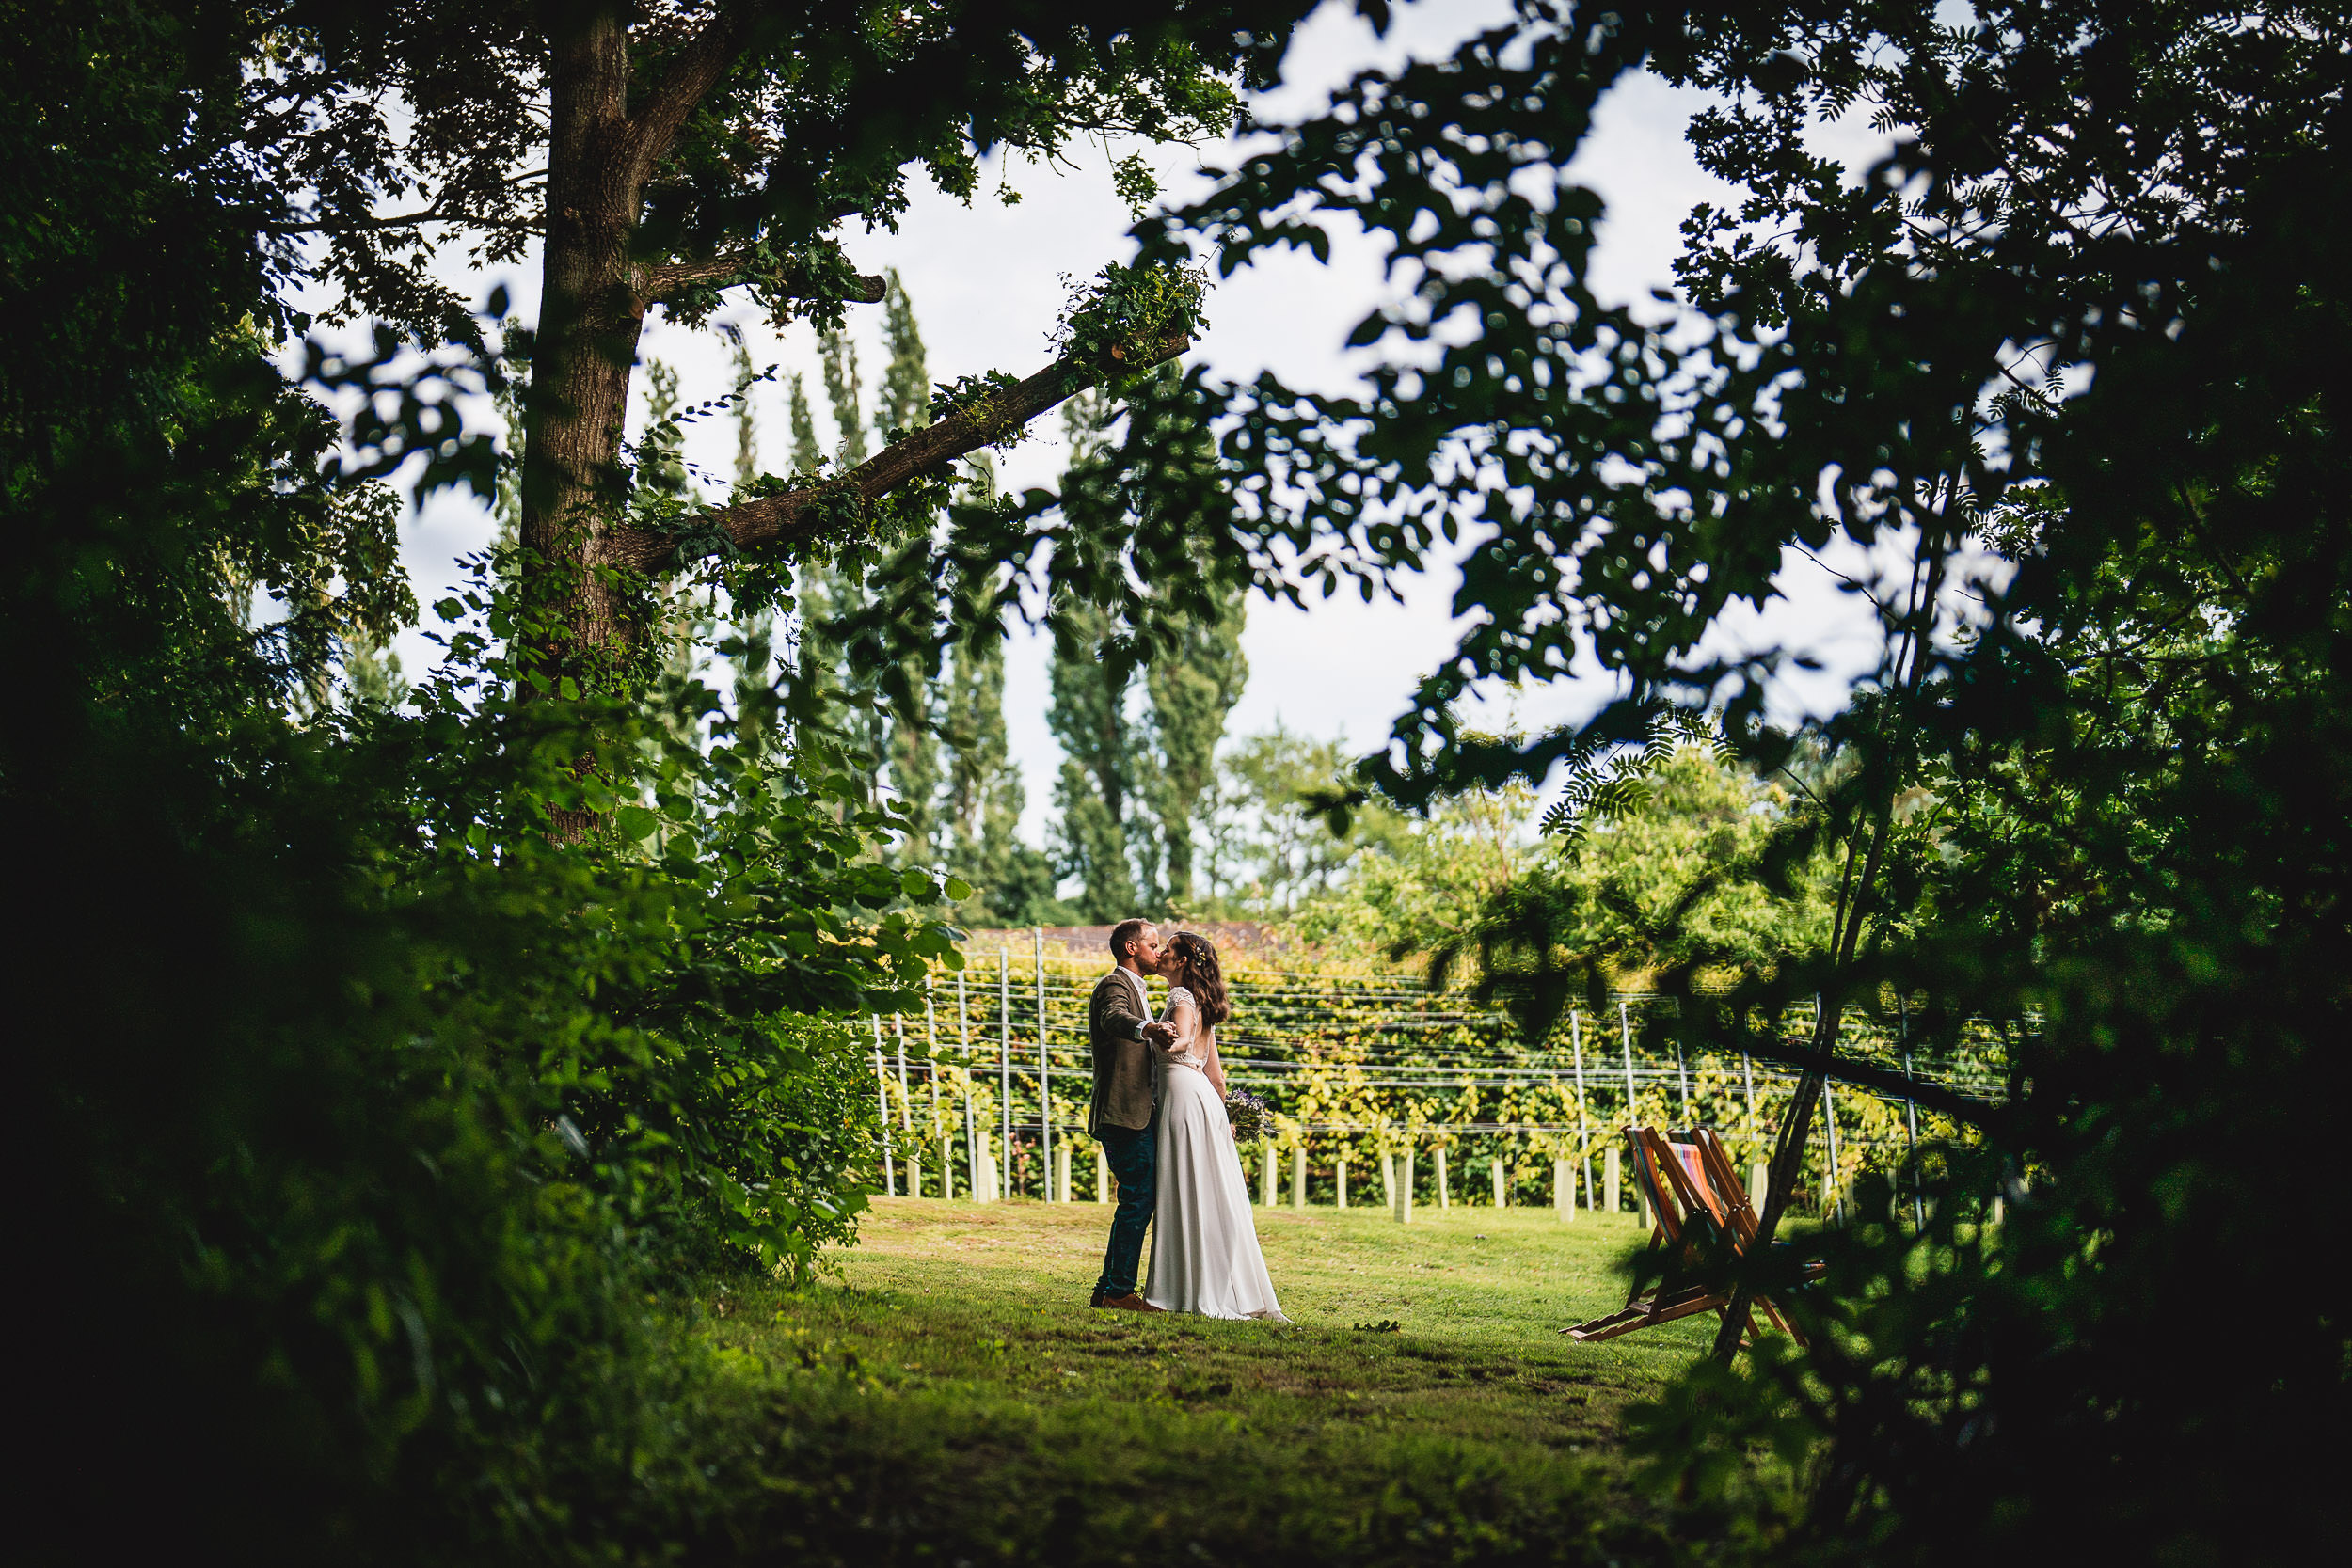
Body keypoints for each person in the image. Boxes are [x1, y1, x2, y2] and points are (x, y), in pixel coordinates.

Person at [1142, 930, 1285, 1320]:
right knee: (1208, 1191)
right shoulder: (1203, 1002)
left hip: (1185, 1101)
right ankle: (1222, 1287)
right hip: (1203, 1100)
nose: (1161, 955)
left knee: (1185, 1189)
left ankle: (1185, 1290)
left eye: (1168, 950)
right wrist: (1222, 1120)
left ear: (1183, 962)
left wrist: (1159, 1038)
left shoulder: (1181, 998)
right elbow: (1217, 1077)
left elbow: (1183, 1041)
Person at [1087, 918, 1176, 1311]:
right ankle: (1119, 1291)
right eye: (1153, 946)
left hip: (1140, 1112)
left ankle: (1109, 1288)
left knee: (1138, 1196)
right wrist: (1148, 1028)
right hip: (1122, 1113)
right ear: (1131, 949)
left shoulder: (1140, 989)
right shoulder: (1114, 986)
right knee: (1139, 1197)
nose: (1159, 953)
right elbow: (1112, 1019)